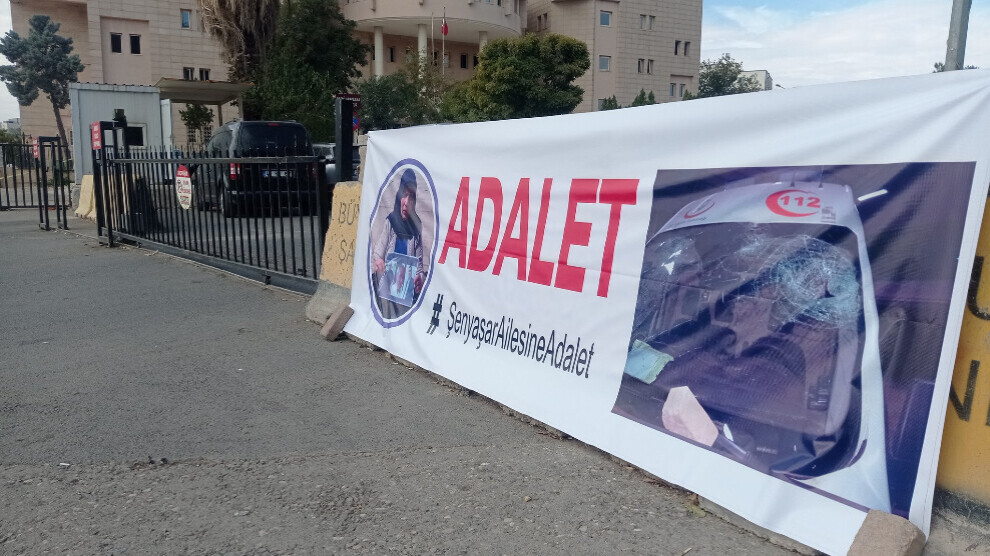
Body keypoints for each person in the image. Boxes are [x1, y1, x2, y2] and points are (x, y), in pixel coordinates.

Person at [371, 169, 426, 318]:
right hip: (387, 291)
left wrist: (419, 279)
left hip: (405, 295)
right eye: (404, 195)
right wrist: (379, 262)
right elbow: (377, 254)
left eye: (411, 197)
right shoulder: (391, 221)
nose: (406, 203)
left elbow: (419, 267)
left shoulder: (416, 227)